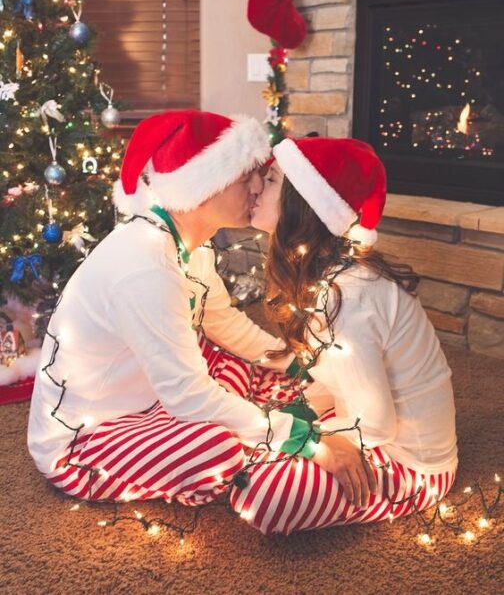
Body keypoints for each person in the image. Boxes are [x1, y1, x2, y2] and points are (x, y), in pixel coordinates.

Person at [27, 110, 318, 505]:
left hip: (147, 395)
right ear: (204, 186)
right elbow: (186, 395)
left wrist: (295, 363)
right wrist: (287, 433)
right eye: (245, 175)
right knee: (219, 447)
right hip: (86, 439)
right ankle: (259, 439)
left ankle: (256, 422)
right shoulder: (146, 265)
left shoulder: (187, 245)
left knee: (222, 357)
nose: (257, 187)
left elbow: (224, 322)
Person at [232, 136, 458, 535]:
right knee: (258, 419)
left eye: (271, 180)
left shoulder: (347, 298)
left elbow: (374, 426)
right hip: (361, 421)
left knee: (258, 493)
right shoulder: (326, 276)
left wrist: (309, 443)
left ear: (302, 203)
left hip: (413, 465)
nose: (256, 188)